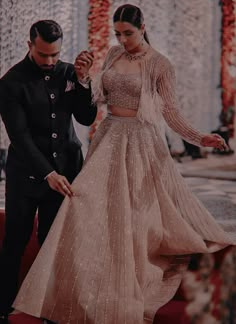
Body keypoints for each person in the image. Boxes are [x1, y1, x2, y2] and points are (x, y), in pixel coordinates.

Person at [13, 5, 236, 324]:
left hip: (142, 141)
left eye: (127, 33)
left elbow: (170, 112)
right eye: (118, 33)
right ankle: (77, 284)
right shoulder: (114, 54)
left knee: (133, 213)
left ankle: (129, 272)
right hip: (108, 136)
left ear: (142, 27)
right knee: (85, 205)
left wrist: (201, 138)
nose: (122, 39)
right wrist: (83, 77)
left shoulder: (160, 64)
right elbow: (96, 101)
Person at [0, 20, 97, 324]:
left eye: (55, 54)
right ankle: (2, 308)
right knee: (15, 240)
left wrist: (82, 81)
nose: (50, 61)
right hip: (26, 176)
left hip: (67, 172)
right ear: (30, 45)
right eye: (43, 55)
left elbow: (85, 117)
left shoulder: (69, 72)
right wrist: (46, 173)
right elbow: (20, 137)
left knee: (53, 243)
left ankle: (51, 310)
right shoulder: (10, 83)